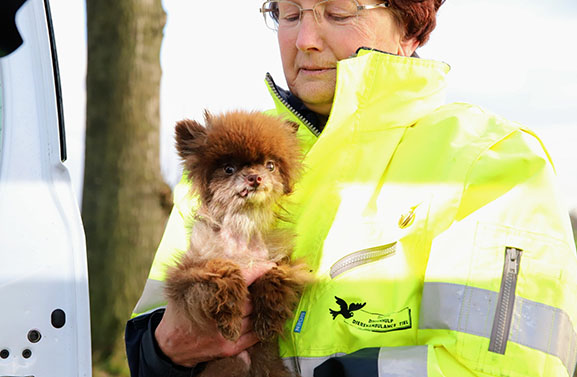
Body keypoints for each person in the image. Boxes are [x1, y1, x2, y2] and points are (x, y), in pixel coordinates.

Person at [125, 0, 577, 376]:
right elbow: (149, 345)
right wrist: (166, 350)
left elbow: (496, 367)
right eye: (289, 13)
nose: (306, 40)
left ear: (410, 28)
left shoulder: (492, 161)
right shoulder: (215, 167)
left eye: (338, 12)